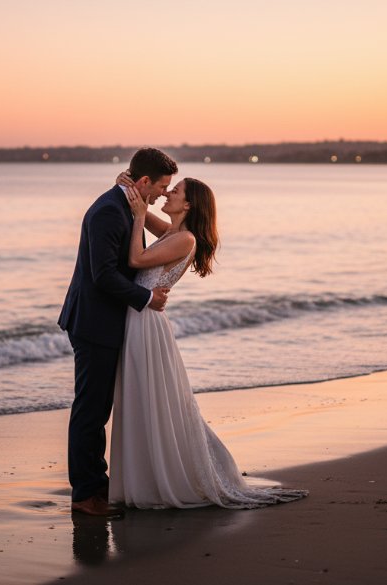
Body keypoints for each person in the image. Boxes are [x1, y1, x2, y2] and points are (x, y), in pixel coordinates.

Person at [109, 174, 308, 508]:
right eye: (169, 188)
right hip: (142, 319)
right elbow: (142, 211)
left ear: (188, 204)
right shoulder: (173, 232)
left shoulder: (185, 239)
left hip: (147, 324)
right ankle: (145, 477)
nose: (168, 193)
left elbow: (136, 261)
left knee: (151, 398)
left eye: (176, 191)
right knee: (143, 398)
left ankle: (160, 480)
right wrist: (130, 189)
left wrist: (140, 215)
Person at [58, 147, 177, 516]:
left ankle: (98, 485)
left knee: (99, 408)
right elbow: (103, 274)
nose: (161, 195)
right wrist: (146, 298)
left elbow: (167, 234)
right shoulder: (109, 211)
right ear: (143, 181)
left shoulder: (127, 204)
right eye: (160, 187)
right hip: (94, 322)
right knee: (91, 411)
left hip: (108, 320)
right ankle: (86, 495)